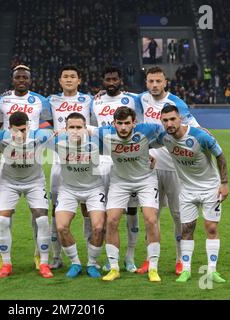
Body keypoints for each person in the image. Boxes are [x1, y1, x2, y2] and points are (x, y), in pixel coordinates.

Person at [134, 66, 202, 275]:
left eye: (158, 81)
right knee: (150, 216)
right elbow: (119, 98)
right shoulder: (140, 99)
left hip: (174, 168)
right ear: (146, 82)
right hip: (149, 168)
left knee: (178, 215)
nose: (154, 85)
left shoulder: (177, 104)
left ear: (165, 83)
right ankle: (149, 259)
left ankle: (181, 259)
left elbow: (195, 129)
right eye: (150, 81)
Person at [0, 65, 53, 271]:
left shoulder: (40, 101)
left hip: (32, 156)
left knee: (40, 215)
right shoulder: (3, 100)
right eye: (18, 77)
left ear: (30, 79)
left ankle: (39, 255)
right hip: (9, 163)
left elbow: (50, 125)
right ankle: (4, 259)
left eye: (25, 77)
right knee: (5, 218)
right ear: (13, 79)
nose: (22, 80)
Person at [158, 105, 229, 283]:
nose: (169, 123)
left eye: (172, 119)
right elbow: (144, 142)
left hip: (210, 188)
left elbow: (220, 155)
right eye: (165, 120)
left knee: (211, 227)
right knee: (187, 229)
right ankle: (186, 270)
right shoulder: (164, 137)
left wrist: (225, 183)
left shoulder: (200, 136)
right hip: (187, 190)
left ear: (180, 118)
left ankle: (212, 271)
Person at [93, 107, 164, 282]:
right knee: (112, 220)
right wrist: (62, 130)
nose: (123, 127)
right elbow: (84, 128)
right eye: (120, 123)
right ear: (114, 124)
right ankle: (114, 267)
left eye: (127, 123)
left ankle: (153, 268)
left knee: (151, 219)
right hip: (120, 181)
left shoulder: (147, 129)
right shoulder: (105, 132)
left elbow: (171, 128)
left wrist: (195, 128)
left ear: (134, 123)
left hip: (146, 179)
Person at [92, 66, 140, 273]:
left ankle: (129, 257)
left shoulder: (133, 99)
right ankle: (109, 257)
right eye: (107, 79)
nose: (111, 83)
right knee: (103, 213)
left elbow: (154, 98)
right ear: (102, 81)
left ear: (120, 80)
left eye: (114, 79)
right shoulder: (95, 101)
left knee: (131, 210)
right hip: (101, 161)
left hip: (127, 160)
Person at [47, 65, 93, 270]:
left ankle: (92, 258)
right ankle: (57, 257)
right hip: (59, 161)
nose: (68, 79)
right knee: (55, 209)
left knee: (87, 208)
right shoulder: (50, 100)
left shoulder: (89, 100)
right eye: (65, 76)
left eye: (72, 76)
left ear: (79, 80)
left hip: (84, 160)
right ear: (59, 80)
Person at [51, 112, 105, 279]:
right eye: (71, 127)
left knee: (98, 227)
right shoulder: (57, 142)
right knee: (61, 227)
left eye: (79, 127)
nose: (75, 131)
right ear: (65, 129)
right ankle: (75, 262)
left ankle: (91, 263)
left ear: (85, 128)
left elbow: (119, 139)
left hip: (94, 189)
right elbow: (31, 137)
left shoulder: (97, 143)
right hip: (68, 190)